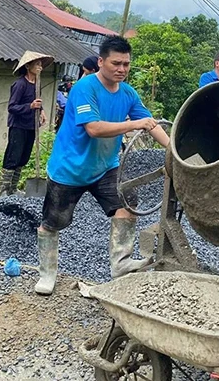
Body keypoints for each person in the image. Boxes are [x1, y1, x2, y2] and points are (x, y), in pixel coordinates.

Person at [34, 35, 169, 296]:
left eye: (126, 64)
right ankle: (47, 273)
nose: (121, 69)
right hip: (70, 169)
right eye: (116, 63)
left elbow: (150, 124)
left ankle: (121, 265)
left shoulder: (128, 93)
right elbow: (94, 129)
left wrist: (173, 151)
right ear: (100, 62)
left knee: (127, 203)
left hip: (106, 166)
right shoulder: (85, 88)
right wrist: (133, 125)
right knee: (53, 222)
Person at [0, 51, 52, 198]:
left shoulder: (37, 85)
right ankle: (2, 189)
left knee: (23, 157)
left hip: (31, 125)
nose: (40, 67)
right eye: (37, 64)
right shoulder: (20, 84)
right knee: (12, 157)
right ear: (28, 66)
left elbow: (37, 101)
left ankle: (13, 188)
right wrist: (30, 106)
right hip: (18, 126)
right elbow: (12, 107)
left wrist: (42, 111)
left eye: (41, 64)